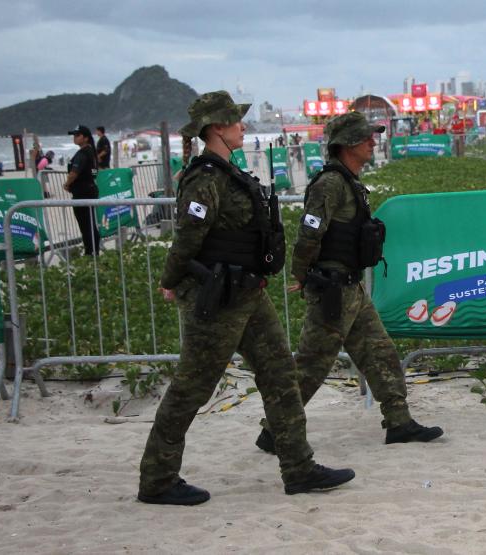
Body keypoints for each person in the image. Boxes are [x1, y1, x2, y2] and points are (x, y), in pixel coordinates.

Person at [137, 91, 354, 506]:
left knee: (280, 377)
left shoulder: (227, 173)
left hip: (249, 294)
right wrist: (170, 279)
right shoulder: (204, 179)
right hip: (216, 299)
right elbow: (186, 239)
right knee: (191, 388)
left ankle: (299, 468)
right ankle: (158, 479)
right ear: (216, 128)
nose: (242, 126)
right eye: (235, 121)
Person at [255, 111, 443, 454]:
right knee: (312, 365)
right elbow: (309, 234)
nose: (373, 143)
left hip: (351, 288)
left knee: (381, 354)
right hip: (333, 292)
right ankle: (275, 430)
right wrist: (301, 274)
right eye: (366, 138)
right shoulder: (329, 184)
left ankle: (399, 422)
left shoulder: (349, 181)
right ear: (347, 145)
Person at [64, 125, 101, 256]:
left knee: (85, 225)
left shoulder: (83, 153)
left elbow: (74, 173)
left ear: (85, 138)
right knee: (90, 223)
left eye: (77, 135)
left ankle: (90, 252)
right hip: (91, 189)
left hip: (82, 193)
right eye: (74, 135)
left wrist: (67, 184)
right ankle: (94, 251)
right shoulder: (92, 151)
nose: (74, 138)